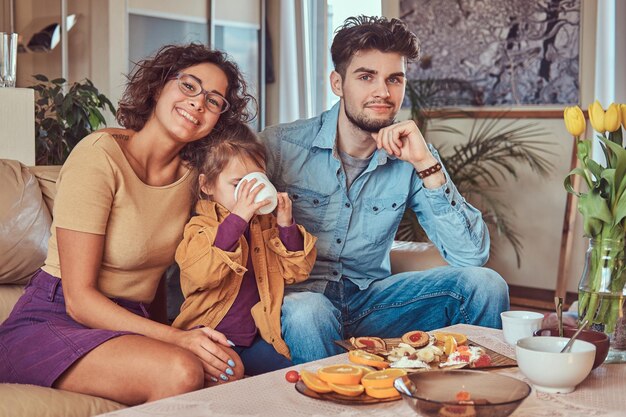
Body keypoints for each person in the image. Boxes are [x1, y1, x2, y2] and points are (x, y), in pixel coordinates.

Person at [0, 43, 254, 404]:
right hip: (54, 318)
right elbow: (79, 301)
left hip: (131, 320)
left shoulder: (195, 179)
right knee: (181, 370)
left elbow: (155, 278)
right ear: (157, 87)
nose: (198, 103)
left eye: (214, 100)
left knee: (229, 370)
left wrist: (178, 331)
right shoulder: (99, 157)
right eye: (189, 86)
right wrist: (176, 340)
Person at [259, 16, 510, 364]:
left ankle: (467, 399)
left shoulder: (413, 155)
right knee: (308, 310)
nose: (383, 92)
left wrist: (426, 163)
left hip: (372, 301)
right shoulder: (279, 146)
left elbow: (470, 256)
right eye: (366, 77)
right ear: (337, 82)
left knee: (486, 285)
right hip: (300, 299)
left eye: (394, 79)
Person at [172, 123, 317, 375]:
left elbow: (297, 272)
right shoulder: (200, 226)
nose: (250, 195)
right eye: (239, 185)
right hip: (208, 333)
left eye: (258, 181)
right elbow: (199, 274)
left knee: (293, 376)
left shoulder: (265, 225)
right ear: (207, 186)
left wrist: (286, 225)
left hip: (254, 339)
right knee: (230, 372)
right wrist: (237, 218)